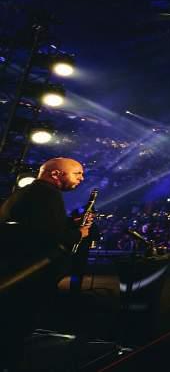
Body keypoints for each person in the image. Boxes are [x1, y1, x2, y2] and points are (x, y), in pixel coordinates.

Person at [0, 157, 93, 369]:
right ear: (55, 174)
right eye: (77, 173)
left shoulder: (30, 192)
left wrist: (70, 225)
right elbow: (44, 238)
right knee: (15, 329)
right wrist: (78, 234)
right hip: (27, 277)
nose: (82, 178)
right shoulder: (47, 194)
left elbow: (36, 228)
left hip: (15, 273)